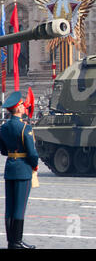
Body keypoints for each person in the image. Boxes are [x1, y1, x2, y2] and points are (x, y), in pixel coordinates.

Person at [0, 91, 39, 249]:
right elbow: (32, 153)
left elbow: (2, 150)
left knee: (9, 207)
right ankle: (17, 241)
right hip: (23, 169)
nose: (24, 106)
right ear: (17, 109)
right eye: (22, 105)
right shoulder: (25, 127)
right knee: (19, 207)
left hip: (10, 168)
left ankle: (11, 241)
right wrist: (34, 165)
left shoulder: (3, 127)